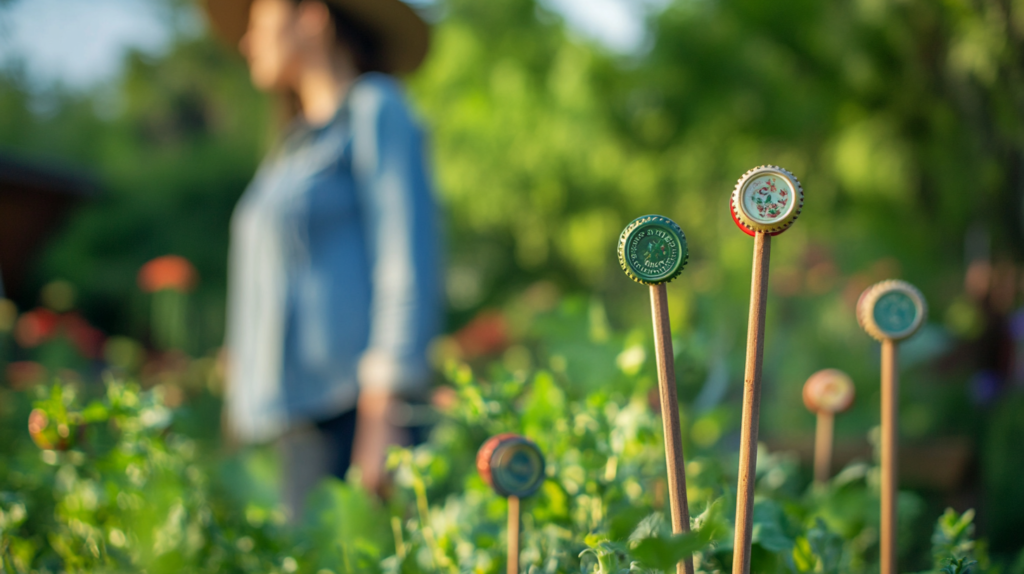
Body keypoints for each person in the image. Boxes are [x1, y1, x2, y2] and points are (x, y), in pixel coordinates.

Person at [204, 0, 441, 518]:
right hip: (286, 422)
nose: (247, 42)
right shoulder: (289, 149)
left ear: (313, 18)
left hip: (349, 416)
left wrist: (385, 415)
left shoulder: (377, 108)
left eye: (260, 23)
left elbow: (406, 259)